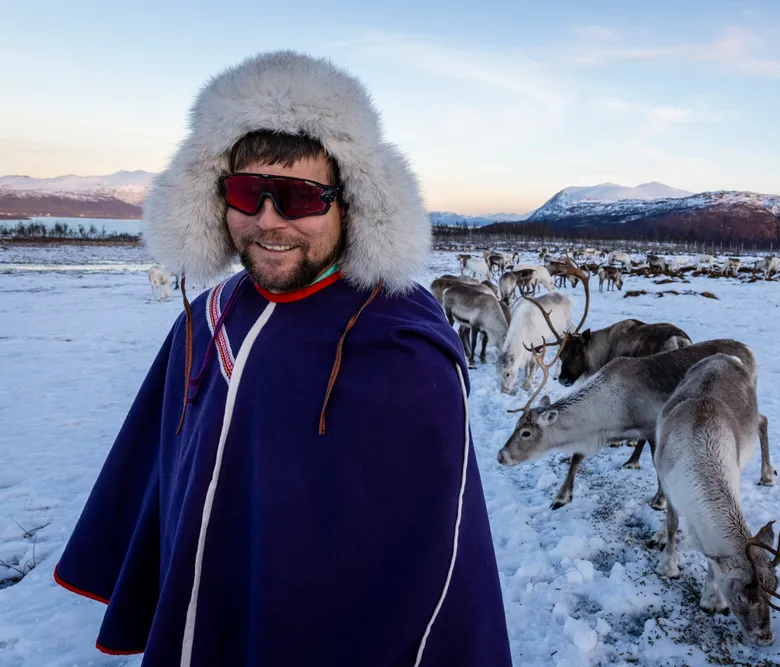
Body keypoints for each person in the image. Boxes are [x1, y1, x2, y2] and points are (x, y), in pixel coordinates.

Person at [54, 50, 513, 667]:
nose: (269, 221)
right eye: (248, 192)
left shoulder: (404, 352)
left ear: (351, 202)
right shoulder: (205, 320)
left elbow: (437, 570)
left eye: (298, 197)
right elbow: (166, 476)